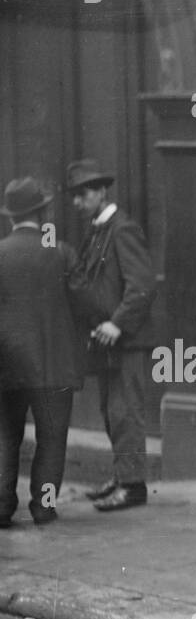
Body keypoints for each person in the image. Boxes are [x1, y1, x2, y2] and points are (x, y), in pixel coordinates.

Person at [66, 158, 157, 512]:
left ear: (102, 192)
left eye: (83, 194)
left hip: (125, 340)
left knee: (126, 412)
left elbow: (143, 286)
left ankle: (133, 486)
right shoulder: (99, 229)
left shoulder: (122, 230)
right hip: (107, 341)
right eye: (74, 195)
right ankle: (122, 476)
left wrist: (117, 323)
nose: (77, 202)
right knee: (111, 410)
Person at [0, 177, 83, 529]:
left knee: (4, 437)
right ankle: (43, 507)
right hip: (53, 365)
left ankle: (1, 507)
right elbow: (83, 301)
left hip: (6, 364)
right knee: (51, 439)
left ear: (10, 217)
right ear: (43, 212)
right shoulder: (60, 250)